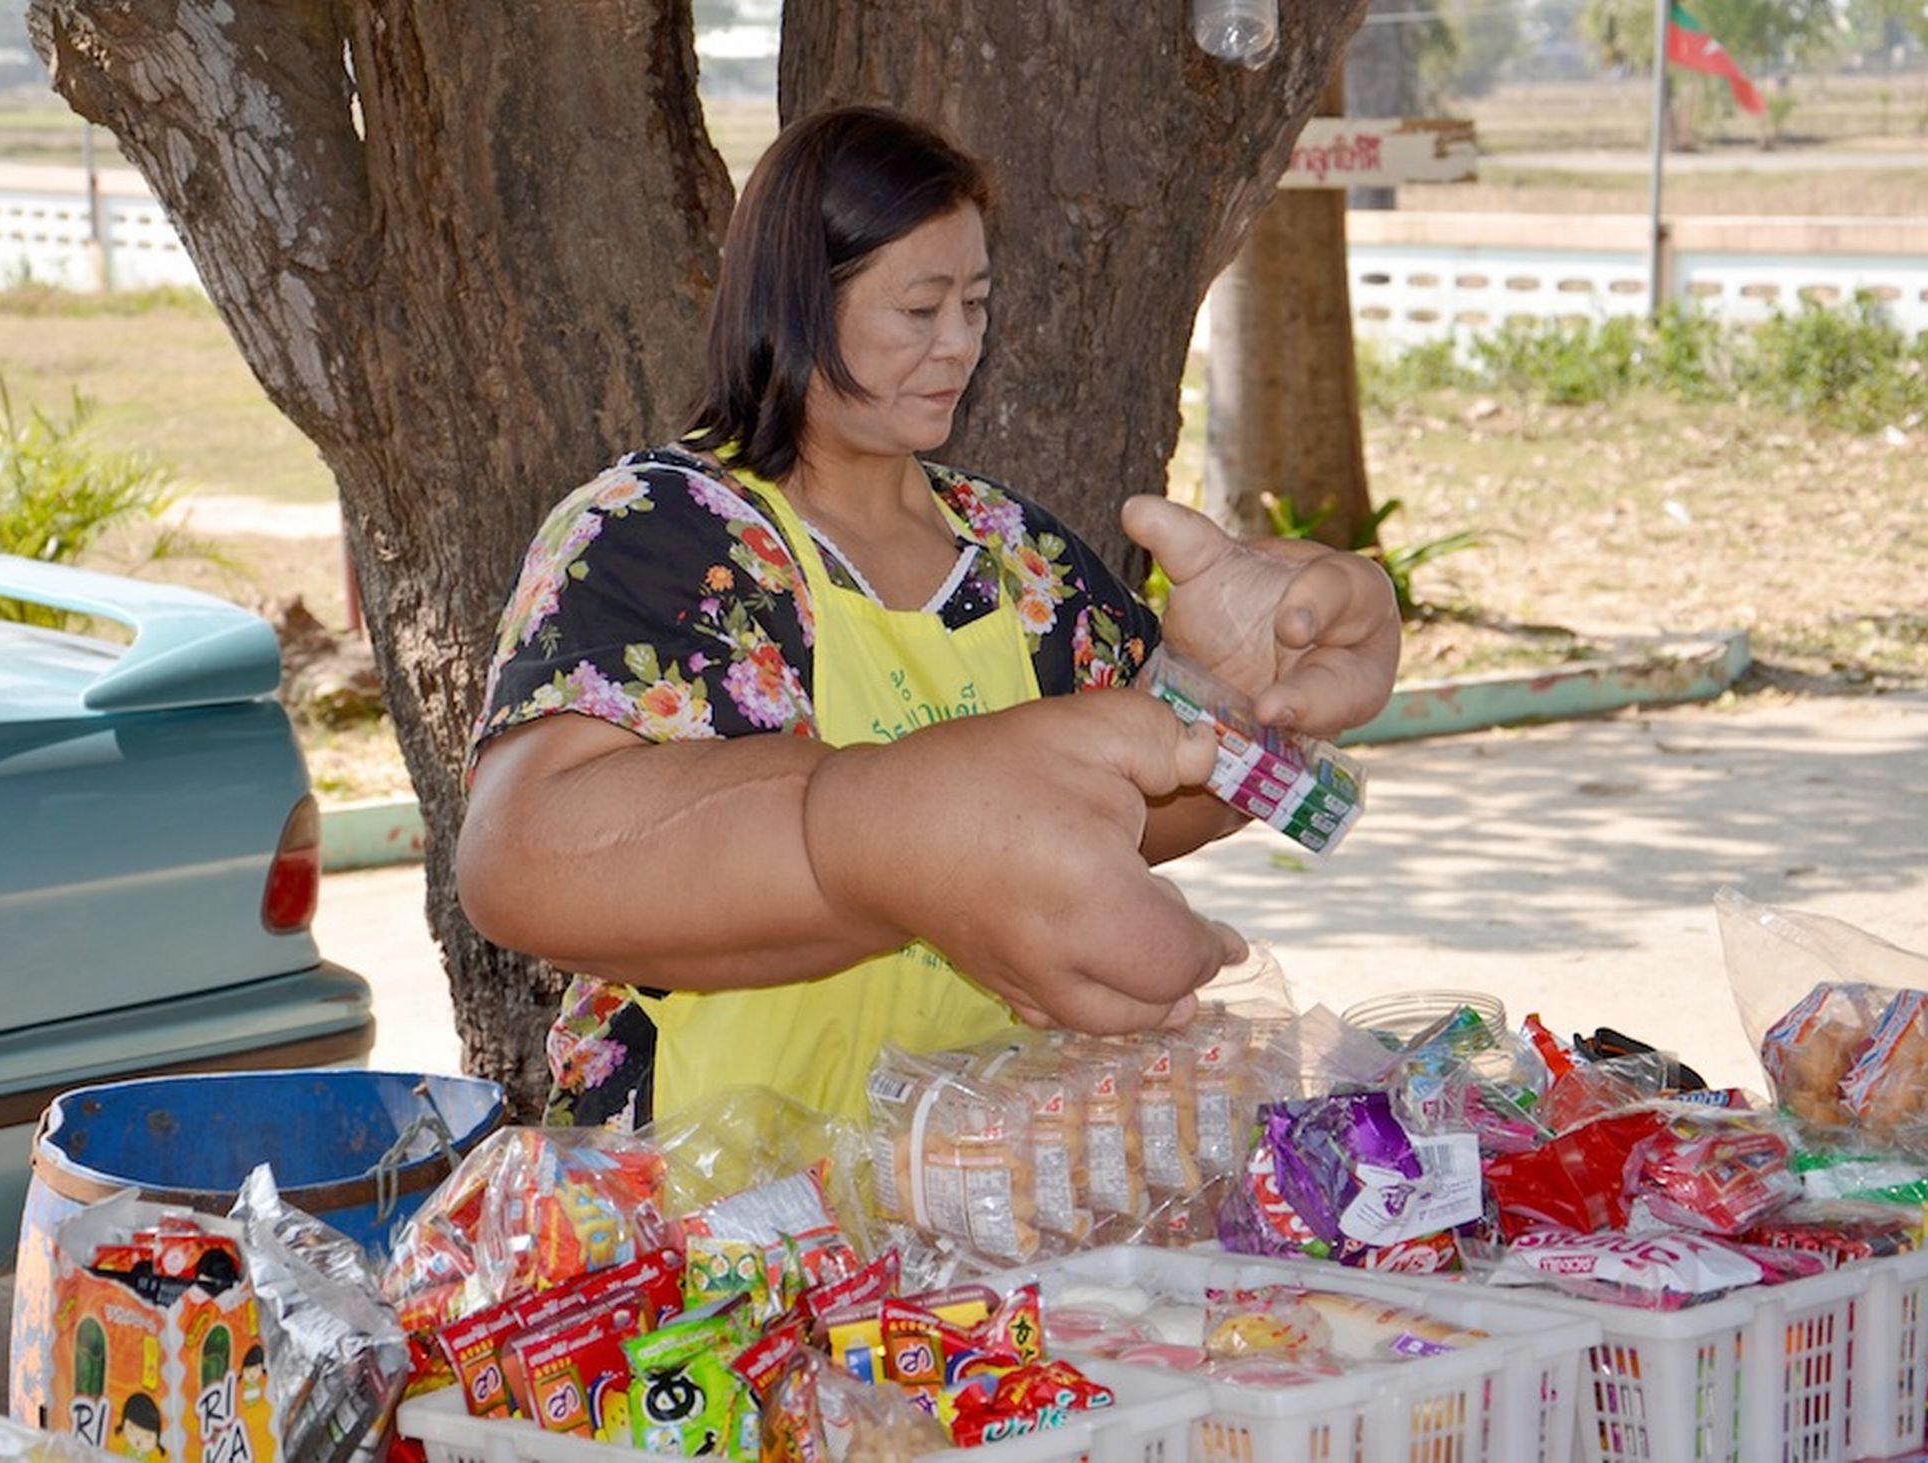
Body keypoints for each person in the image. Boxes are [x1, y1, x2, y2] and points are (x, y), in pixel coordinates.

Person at [457, 105, 1400, 1129]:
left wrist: (1216, 692)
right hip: (717, 1202)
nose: (958, 343)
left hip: (967, 1188)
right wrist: (874, 835)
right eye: (919, 309)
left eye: (976, 305)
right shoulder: (661, 535)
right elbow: (521, 862)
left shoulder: (1010, 551)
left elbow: (1124, 819)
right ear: (797, 303)